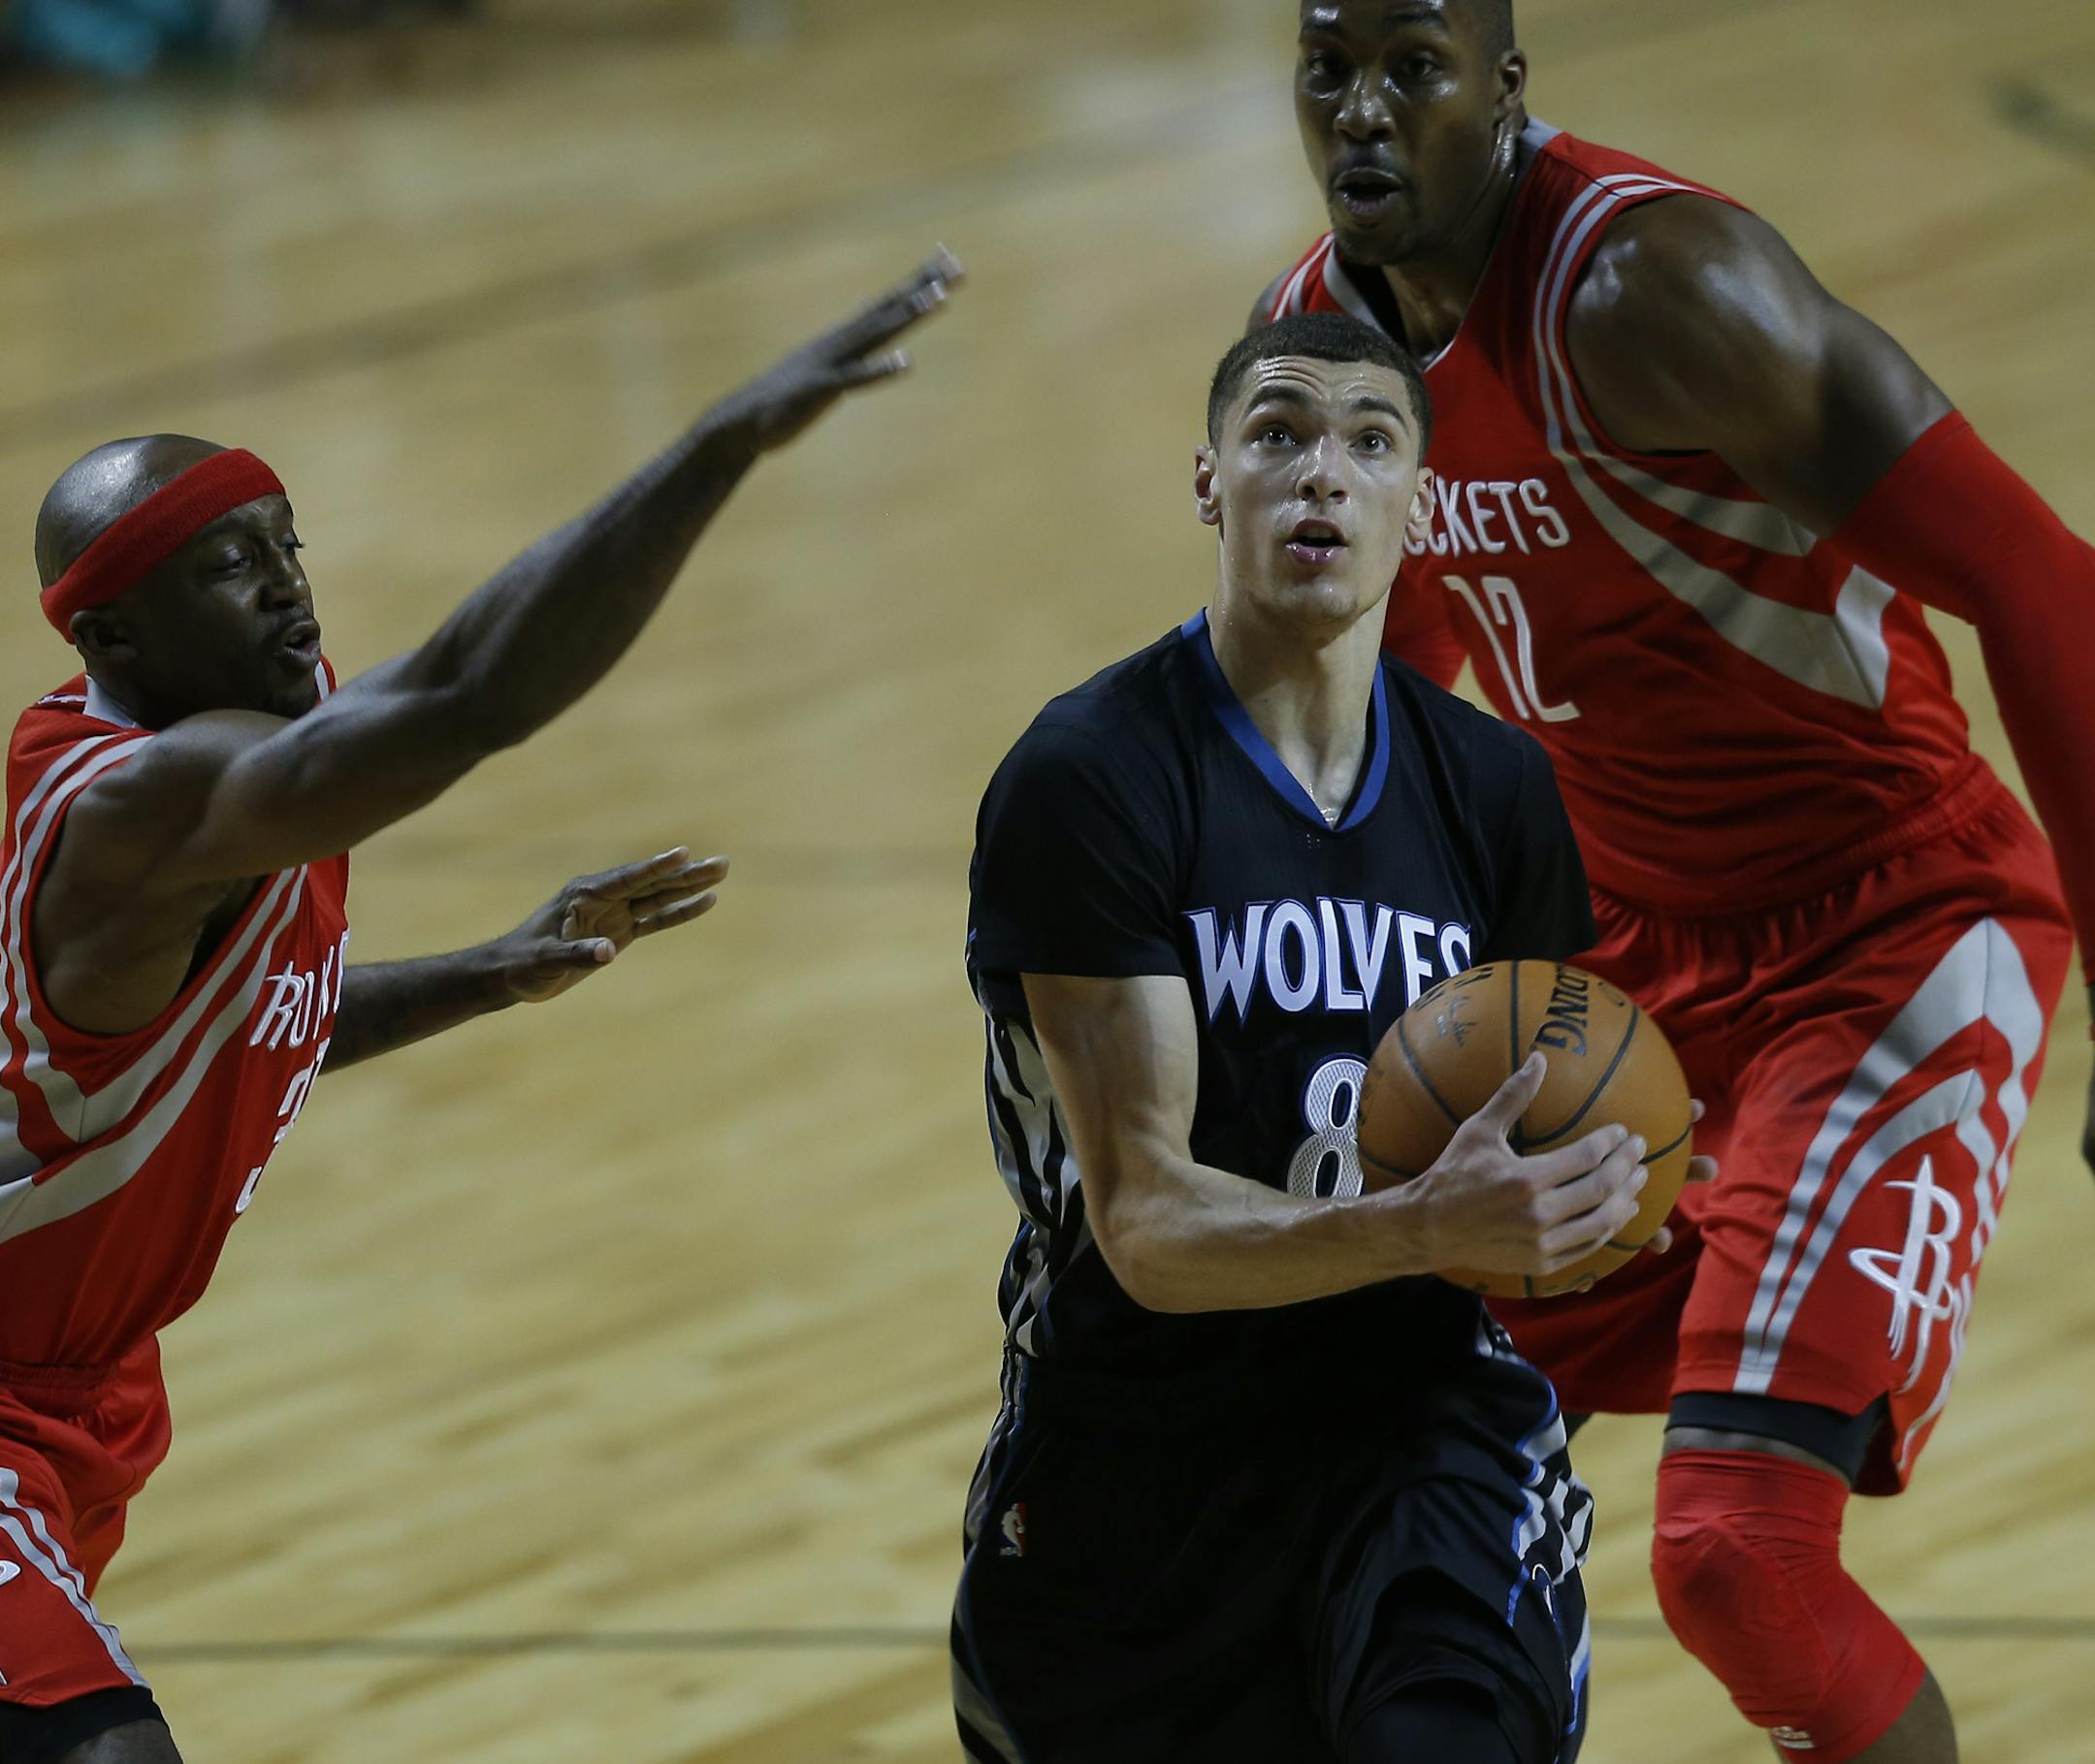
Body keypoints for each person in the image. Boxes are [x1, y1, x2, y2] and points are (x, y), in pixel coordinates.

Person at [1256, 5, 2090, 1759]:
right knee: (1313, 1422)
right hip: (1624, 963)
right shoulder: (1322, 352)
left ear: (1509, 86)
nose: (1366, 113)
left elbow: (2043, 582)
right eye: (1332, 69)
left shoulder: (1656, 298)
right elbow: (1378, 707)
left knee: (1735, 1560)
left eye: (1415, 66)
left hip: (1892, 926)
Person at [0, 246, 962, 1764]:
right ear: (114, 638)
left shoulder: (240, 770)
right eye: (229, 564)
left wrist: (489, 972)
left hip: (81, 1397)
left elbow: (253, 1037)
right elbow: (466, 699)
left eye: (286, 540)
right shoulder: (139, 810)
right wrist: (713, 448)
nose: (288, 582)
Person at [952, 311, 1705, 1763]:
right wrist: (1430, 1219)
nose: (1323, 477)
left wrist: (1623, 1210)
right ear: (1207, 480)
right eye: (1280, 433)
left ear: (1417, 503)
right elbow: (1149, 1225)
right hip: (1136, 1456)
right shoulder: (1090, 779)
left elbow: (1561, 1132)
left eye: (1372, 443)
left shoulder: (1496, 791)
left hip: (1418, 1425)